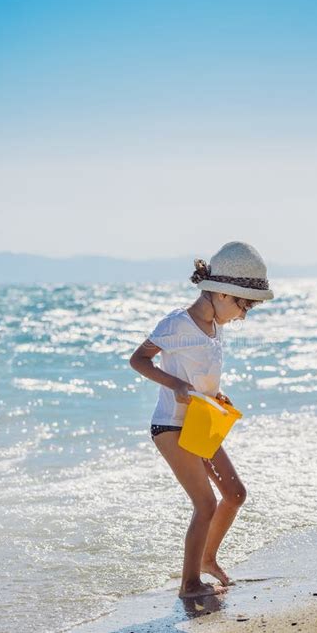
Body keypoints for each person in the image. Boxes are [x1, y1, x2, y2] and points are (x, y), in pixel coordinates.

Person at [129, 241, 274, 598]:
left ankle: (207, 560)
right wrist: (175, 383)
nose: (243, 315)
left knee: (234, 494)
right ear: (223, 294)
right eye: (243, 306)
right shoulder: (179, 323)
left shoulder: (215, 328)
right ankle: (189, 584)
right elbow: (139, 360)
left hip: (200, 421)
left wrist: (214, 396)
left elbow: (201, 375)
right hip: (171, 425)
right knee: (205, 503)